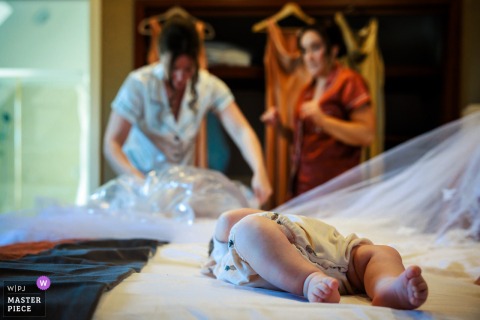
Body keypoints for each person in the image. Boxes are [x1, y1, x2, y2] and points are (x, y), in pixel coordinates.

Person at [103, 16, 272, 205]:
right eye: (173, 68)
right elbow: (112, 143)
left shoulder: (207, 85)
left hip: (179, 191)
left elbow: (241, 131)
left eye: (188, 69)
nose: (180, 77)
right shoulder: (139, 83)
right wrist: (141, 184)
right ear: (161, 55)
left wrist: (259, 171)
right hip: (139, 188)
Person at [204, 208, 428, 310]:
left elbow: (228, 218)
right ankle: (308, 281)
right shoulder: (225, 256)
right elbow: (228, 222)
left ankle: (388, 285)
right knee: (248, 229)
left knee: (382, 252)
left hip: (339, 254)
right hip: (297, 269)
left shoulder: (265, 221)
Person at [261, 20, 375, 197]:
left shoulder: (349, 82)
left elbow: (366, 134)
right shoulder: (308, 90)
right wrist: (280, 127)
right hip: (305, 186)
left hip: (338, 190)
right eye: (304, 50)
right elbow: (305, 140)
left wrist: (324, 120)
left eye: (315, 48)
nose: (308, 57)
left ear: (333, 50)